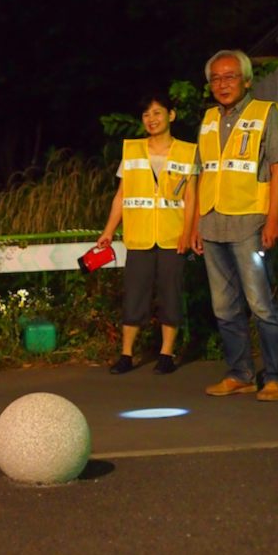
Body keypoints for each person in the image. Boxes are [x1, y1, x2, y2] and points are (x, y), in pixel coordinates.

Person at [191, 49, 278, 401]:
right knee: (224, 306)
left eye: (230, 76)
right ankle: (241, 374)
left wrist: (274, 217)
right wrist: (194, 226)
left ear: (246, 80)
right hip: (212, 223)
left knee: (261, 303)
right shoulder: (207, 120)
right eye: (216, 78)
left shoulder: (265, 113)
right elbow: (200, 174)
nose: (223, 84)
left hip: (250, 221)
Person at [97, 91, 198, 375]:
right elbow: (121, 195)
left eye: (157, 113)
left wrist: (187, 232)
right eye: (146, 114)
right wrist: (108, 232)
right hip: (139, 235)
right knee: (135, 295)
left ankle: (167, 354)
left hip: (172, 235)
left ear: (171, 115)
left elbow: (192, 198)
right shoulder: (131, 151)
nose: (151, 119)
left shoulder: (188, 151)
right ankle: (126, 354)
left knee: (171, 292)